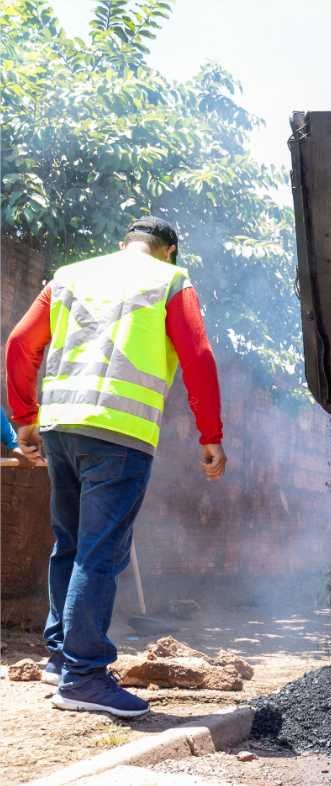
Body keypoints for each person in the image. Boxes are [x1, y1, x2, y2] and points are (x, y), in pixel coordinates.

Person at [5, 217, 227, 717]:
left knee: (70, 543)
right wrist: (210, 434)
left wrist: (25, 417)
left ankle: (62, 659)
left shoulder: (70, 275)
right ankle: (84, 677)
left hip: (60, 427)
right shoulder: (171, 280)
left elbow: (20, 344)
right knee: (99, 553)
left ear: (124, 244)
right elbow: (198, 356)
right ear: (168, 251)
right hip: (120, 434)